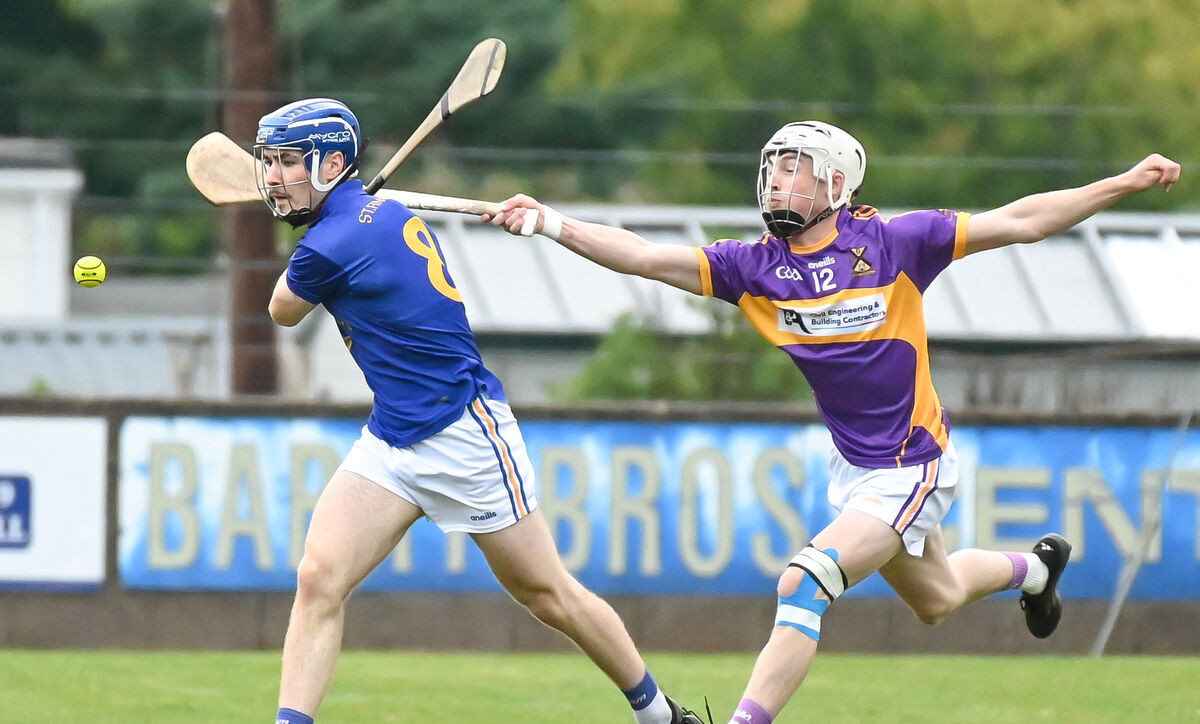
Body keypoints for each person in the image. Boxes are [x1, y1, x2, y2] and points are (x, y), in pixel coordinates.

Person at [486, 120, 1182, 724]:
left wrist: (1119, 183)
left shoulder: (896, 243)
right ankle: (1034, 570)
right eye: (773, 169)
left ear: (837, 184)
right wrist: (550, 222)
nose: (777, 183)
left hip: (914, 462)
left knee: (805, 579)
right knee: (936, 599)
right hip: (856, 470)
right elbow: (641, 256)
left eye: (796, 170)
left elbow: (1022, 221)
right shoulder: (753, 267)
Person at [254, 98, 705, 724]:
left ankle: (660, 715)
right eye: (269, 163)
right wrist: (329, 223)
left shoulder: (333, 242)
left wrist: (321, 236)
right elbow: (341, 244)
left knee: (549, 596)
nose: (273, 178)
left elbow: (281, 310)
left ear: (333, 163)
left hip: (463, 431)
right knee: (319, 579)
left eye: (286, 164)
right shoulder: (371, 216)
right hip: (393, 439)